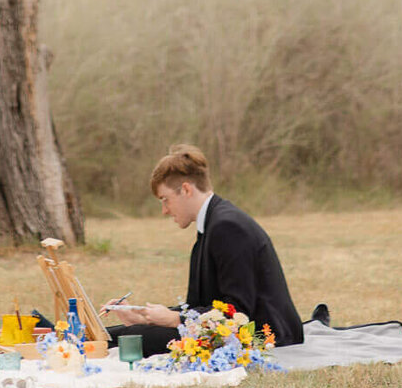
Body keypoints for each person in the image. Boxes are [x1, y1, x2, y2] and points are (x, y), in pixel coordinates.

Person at [105, 143, 304, 358]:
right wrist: (146, 317)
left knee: (131, 338)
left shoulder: (228, 227)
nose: (164, 210)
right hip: (232, 327)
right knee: (129, 333)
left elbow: (237, 311)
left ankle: (86, 340)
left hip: (264, 334)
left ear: (187, 189)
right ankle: (86, 337)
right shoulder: (212, 223)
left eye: (165, 200)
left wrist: (174, 320)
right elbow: (201, 306)